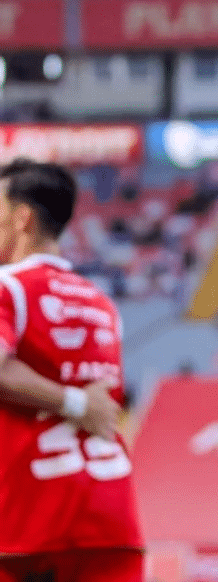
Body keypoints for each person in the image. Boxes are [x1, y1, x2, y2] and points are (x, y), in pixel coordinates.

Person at [0, 159, 143, 582]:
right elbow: (106, 404)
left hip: (28, 524)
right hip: (111, 519)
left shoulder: (9, 286)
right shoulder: (102, 303)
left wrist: (73, 402)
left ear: (22, 218)